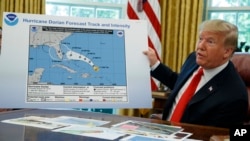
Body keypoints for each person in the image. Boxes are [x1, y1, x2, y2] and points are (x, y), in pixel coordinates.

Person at [143, 19, 248, 128]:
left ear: (227, 51)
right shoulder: (194, 58)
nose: (200, 46)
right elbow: (180, 84)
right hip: (164, 131)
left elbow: (217, 136)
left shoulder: (235, 95)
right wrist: (155, 64)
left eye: (210, 42)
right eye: (200, 39)